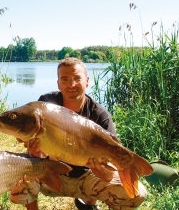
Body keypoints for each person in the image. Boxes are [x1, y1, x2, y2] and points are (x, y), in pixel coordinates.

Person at [9, 57, 147, 210]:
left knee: (137, 194)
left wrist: (101, 171)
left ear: (87, 81)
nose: (71, 84)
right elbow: (38, 151)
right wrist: (36, 152)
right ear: (58, 83)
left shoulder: (100, 115)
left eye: (76, 78)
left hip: (86, 178)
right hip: (52, 174)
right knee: (21, 171)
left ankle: (88, 202)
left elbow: (108, 175)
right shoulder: (45, 105)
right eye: (65, 79)